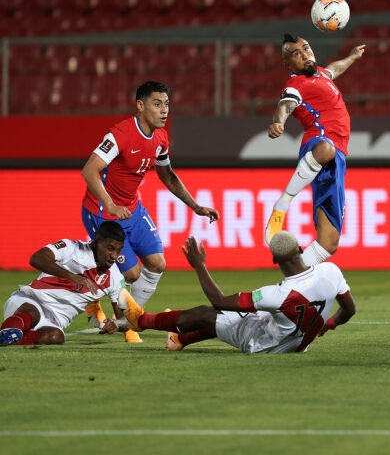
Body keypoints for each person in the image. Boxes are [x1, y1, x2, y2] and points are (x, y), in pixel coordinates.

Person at [80, 80, 219, 342]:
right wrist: (110, 204)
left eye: (167, 104)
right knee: (131, 273)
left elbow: (168, 177)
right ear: (140, 106)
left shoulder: (161, 137)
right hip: (102, 211)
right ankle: (110, 311)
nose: (164, 110)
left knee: (157, 264)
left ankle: (126, 320)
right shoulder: (120, 134)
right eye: (157, 104)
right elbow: (89, 170)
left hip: (132, 208)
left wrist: (196, 206)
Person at [118, 231, 356, 353]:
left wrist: (199, 265)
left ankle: (141, 321)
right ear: (301, 249)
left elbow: (219, 301)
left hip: (265, 345)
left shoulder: (277, 294)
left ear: (275, 260)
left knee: (206, 313)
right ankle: (179, 339)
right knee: (235, 319)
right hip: (299, 343)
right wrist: (328, 324)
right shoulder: (331, 271)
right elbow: (349, 309)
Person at [264, 34, 365, 267]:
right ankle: (282, 204)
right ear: (287, 64)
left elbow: (333, 69)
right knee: (326, 148)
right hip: (317, 144)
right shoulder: (295, 85)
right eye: (295, 54)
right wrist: (279, 122)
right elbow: (285, 105)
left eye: (306, 48)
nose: (304, 54)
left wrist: (351, 57)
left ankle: (294, 276)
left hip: (337, 157)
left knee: (329, 243)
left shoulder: (322, 74)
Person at [0, 221, 128, 346]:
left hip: (54, 321)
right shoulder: (71, 248)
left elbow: (126, 320)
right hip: (30, 301)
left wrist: (117, 324)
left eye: (119, 250)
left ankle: (12, 338)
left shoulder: (115, 278)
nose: (114, 256)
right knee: (32, 314)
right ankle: (10, 330)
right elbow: (36, 258)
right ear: (96, 241)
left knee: (57, 337)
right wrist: (71, 276)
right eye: (110, 249)